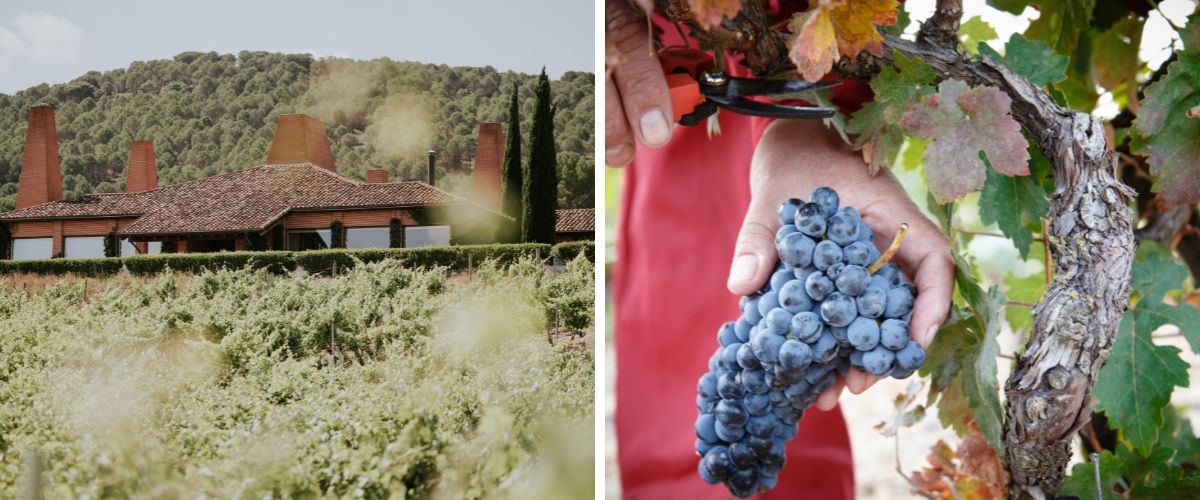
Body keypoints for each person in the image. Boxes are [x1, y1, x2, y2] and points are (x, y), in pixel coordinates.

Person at [607, 1, 954, 498]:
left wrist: (803, 115)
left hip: (789, 38)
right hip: (672, 61)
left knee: (767, 330)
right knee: (690, 312)